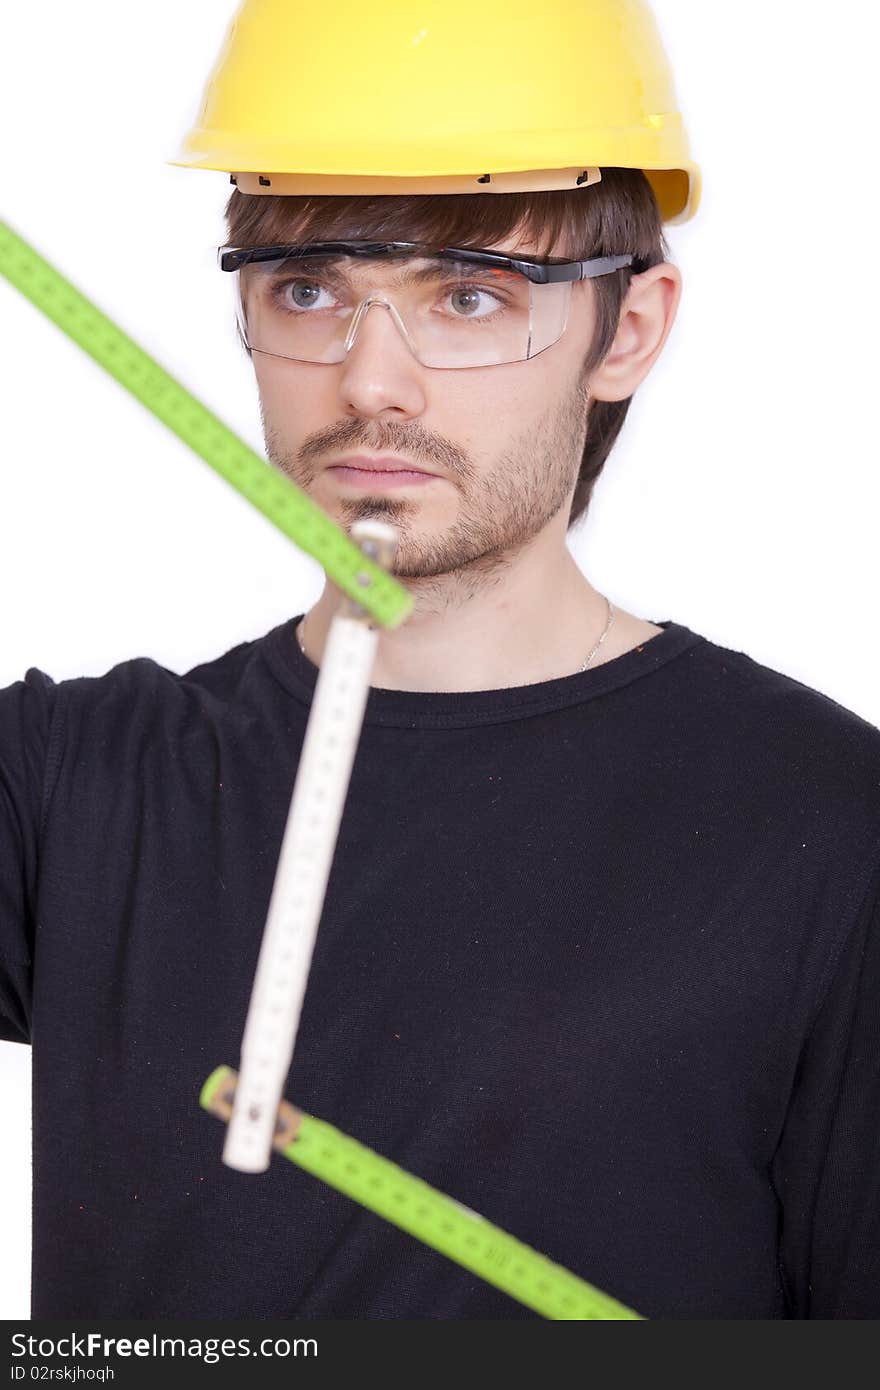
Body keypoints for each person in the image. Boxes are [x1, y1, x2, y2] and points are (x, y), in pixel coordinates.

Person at [2, 0, 879, 1320]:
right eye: (309, 291)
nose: (370, 384)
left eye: (470, 296)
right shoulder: (71, 789)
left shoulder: (826, 826)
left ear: (627, 331)